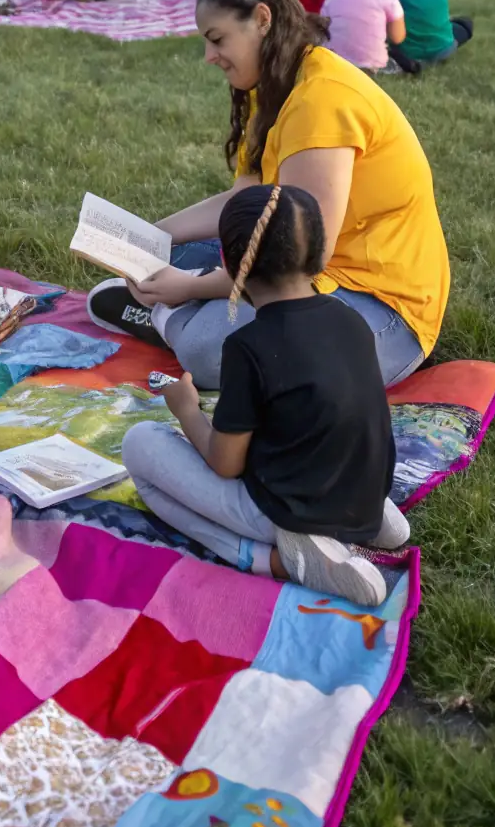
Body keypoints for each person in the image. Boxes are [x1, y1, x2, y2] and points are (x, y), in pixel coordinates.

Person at [87, 0, 449, 390]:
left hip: (378, 303)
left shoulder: (322, 100)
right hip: (305, 271)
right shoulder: (276, 83)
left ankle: (167, 316)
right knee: (164, 258)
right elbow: (244, 196)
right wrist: (148, 235)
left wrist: (187, 288)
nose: (209, 57)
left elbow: (302, 259)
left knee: (210, 352)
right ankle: (183, 306)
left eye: (217, 39)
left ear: (262, 19)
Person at [122, 185, 408, 608]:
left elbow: (225, 462)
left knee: (139, 447)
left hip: (288, 510)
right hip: (362, 491)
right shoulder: (353, 320)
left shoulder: (247, 347)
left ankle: (276, 558)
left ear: (229, 266)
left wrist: (186, 410)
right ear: (318, 253)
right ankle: (365, 521)